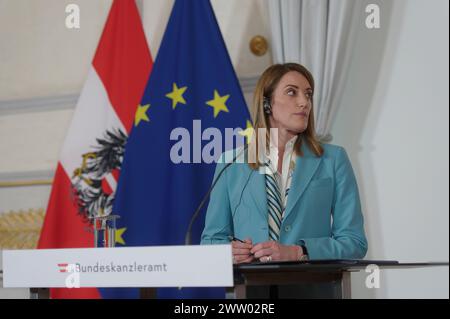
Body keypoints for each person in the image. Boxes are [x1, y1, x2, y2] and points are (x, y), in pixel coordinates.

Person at [201, 63, 367, 264]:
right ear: (267, 103)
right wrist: (228, 252)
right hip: (250, 289)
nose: (304, 102)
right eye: (292, 92)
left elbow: (354, 242)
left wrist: (300, 252)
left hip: (314, 288)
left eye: (308, 94)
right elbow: (210, 241)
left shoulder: (334, 159)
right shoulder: (230, 163)